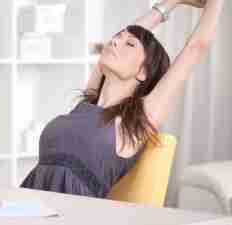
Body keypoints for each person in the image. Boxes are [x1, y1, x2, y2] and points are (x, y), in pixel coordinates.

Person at [20, 0, 225, 198]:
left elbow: (196, 47)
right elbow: (133, 30)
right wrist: (171, 3)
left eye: (129, 44)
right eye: (116, 38)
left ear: (143, 73)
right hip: (30, 205)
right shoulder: (87, 103)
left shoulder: (135, 124)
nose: (115, 41)